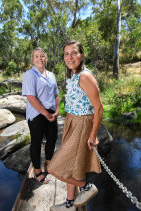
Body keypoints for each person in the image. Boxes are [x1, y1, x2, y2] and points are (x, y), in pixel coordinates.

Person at [48, 40, 103, 210]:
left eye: (73, 53)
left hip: (82, 124)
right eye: (66, 54)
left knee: (53, 168)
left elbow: (99, 108)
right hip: (71, 122)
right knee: (72, 167)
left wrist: (93, 135)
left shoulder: (85, 76)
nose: (69, 57)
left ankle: (86, 187)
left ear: (82, 55)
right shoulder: (73, 75)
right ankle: (69, 203)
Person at [22, 47, 60, 184]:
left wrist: (57, 111)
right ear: (33, 60)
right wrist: (45, 114)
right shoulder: (29, 75)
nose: (40, 58)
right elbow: (31, 98)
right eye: (36, 56)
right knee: (36, 143)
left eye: (42, 56)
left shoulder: (51, 75)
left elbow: (56, 95)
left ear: (46, 58)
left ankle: (48, 164)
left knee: (52, 138)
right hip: (37, 114)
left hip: (51, 113)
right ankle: (37, 171)